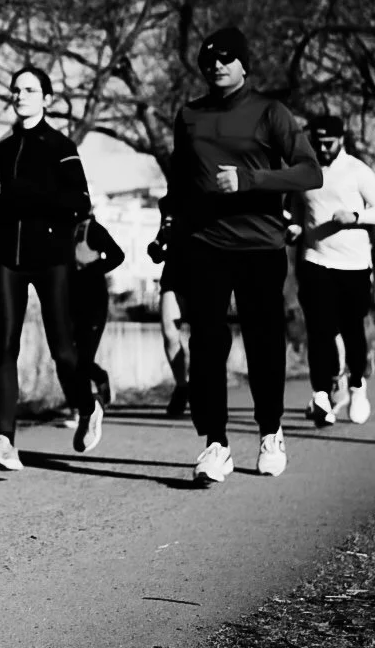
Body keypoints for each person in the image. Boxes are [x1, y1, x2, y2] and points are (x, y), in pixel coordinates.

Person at [159, 26, 321, 486]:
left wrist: (250, 181)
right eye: (208, 58)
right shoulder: (189, 115)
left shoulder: (271, 112)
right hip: (205, 245)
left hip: (261, 246)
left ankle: (271, 432)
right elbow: (179, 182)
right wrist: (170, 224)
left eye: (227, 57)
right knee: (206, 345)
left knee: (263, 345)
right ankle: (216, 443)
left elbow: (310, 173)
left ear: (244, 63)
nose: (217, 65)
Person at [0, 66, 101, 470]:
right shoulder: (5, 148)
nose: (21, 95)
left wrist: (37, 194)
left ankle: (87, 405)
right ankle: (6, 440)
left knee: (62, 349)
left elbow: (81, 201)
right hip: (7, 254)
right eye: (16, 90)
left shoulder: (60, 144)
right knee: (6, 345)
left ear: (47, 98)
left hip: (51, 256)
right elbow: (8, 199)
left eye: (30, 89)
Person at [289, 113, 375, 427]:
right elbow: (295, 208)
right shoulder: (303, 170)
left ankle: (357, 385)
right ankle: (322, 394)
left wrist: (355, 216)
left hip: (353, 265)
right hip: (315, 260)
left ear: (341, 139)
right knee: (320, 329)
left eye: (329, 142)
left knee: (353, 331)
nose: (323, 148)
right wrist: (294, 227)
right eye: (318, 141)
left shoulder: (356, 171)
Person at [70, 214, 126, 412]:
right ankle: (86, 397)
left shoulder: (93, 230)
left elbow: (118, 255)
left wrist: (91, 271)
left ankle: (83, 408)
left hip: (94, 301)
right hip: (70, 301)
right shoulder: (63, 229)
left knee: (83, 357)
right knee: (68, 354)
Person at [147, 227, 191, 417]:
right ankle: (182, 386)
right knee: (170, 334)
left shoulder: (209, 197)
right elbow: (162, 236)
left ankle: (203, 388)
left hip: (204, 273)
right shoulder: (168, 204)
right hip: (173, 273)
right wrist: (155, 247)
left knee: (205, 337)